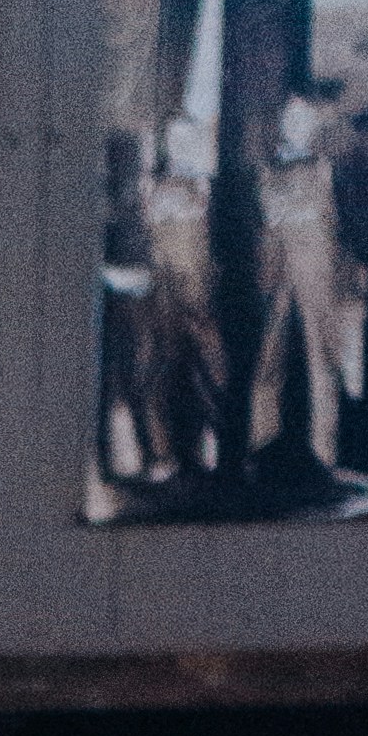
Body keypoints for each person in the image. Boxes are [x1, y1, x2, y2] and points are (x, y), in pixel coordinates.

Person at [249, 90, 350, 473]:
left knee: (322, 361)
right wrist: (297, 211)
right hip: (275, 275)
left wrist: (291, 211)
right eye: (290, 119)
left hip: (317, 276)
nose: (296, 127)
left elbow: (323, 214)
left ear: (314, 127)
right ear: (281, 124)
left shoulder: (326, 167)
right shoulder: (265, 169)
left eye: (304, 120)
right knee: (267, 362)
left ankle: (325, 454)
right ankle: (260, 446)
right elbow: (271, 209)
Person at [141, 111, 224, 480]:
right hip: (163, 297)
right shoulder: (151, 185)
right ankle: (166, 454)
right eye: (174, 139)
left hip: (201, 297)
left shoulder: (207, 185)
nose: (180, 145)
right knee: (162, 370)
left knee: (210, 370)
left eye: (187, 139)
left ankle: (216, 452)